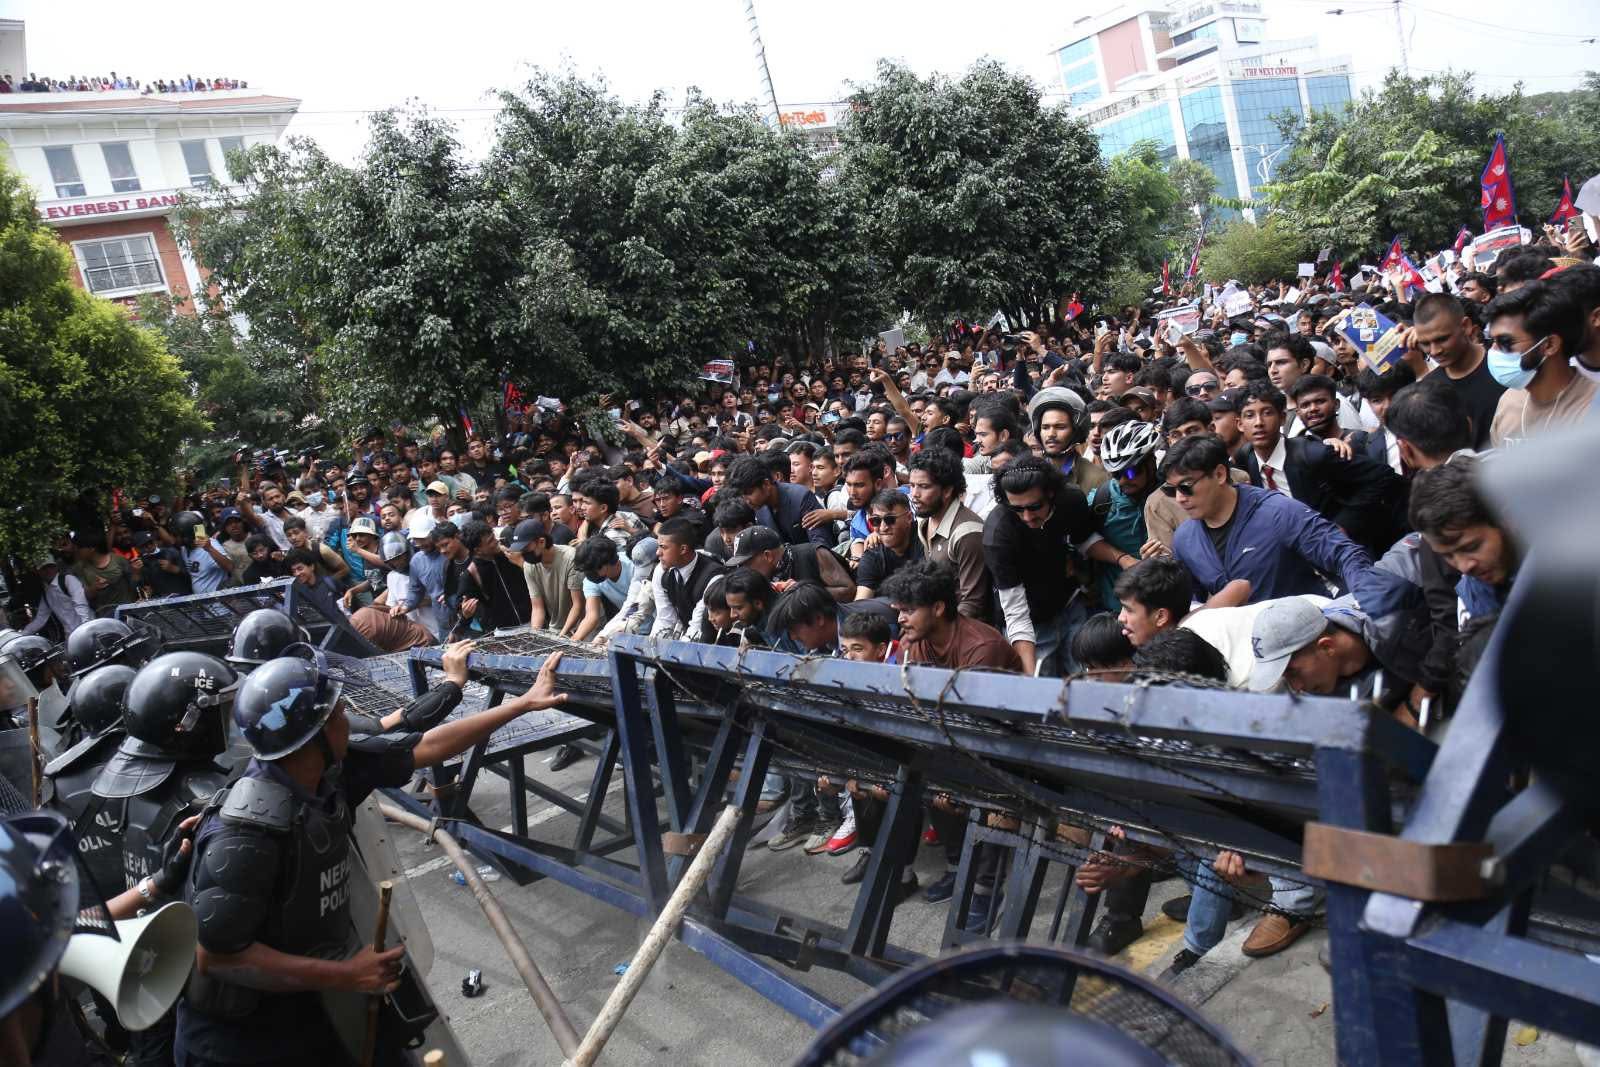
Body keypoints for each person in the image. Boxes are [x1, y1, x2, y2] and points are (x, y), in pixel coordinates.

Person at [178, 644, 570, 1065]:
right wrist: (347, 974)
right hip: (241, 1044)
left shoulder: (327, 773)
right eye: (338, 714)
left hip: (314, 1002)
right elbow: (218, 956)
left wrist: (523, 704)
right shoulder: (246, 832)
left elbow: (428, 745)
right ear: (313, 739)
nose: (348, 718)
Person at [88, 651, 240, 1065]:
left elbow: (70, 928)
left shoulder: (135, 782)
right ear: (190, 722)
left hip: (148, 960)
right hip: (185, 969)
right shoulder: (208, 798)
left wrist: (156, 884)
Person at [1163, 433, 1373, 605]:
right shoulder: (1184, 539)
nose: (1179, 498)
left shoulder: (1279, 512)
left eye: (1186, 487)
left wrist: (1363, 603)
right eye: (1171, 490)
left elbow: (1345, 555)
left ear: (1219, 474)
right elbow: (1189, 603)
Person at [1233, 381, 1405, 555]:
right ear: (1239, 424)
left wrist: (1342, 526)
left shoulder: (1314, 454)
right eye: (1249, 415)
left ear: (1283, 418)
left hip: (1339, 551)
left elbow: (1383, 477)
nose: (1259, 423)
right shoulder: (1246, 458)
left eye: (1267, 413)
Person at [983, 455, 1119, 676]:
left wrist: (1125, 560)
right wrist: (1029, 680)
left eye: (1035, 507)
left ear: (1051, 494)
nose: (1027, 517)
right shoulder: (998, 533)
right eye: (1017, 509)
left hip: (1070, 606)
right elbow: (1016, 614)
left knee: (1089, 680)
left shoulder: (1071, 500)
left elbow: (1083, 539)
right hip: (1030, 624)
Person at [1484, 279, 1598, 448]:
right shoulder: (1508, 402)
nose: (1494, 351)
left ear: (1550, 345)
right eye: (1492, 341)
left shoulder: (1593, 408)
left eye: (1505, 342)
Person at [1085, 413, 1164, 613]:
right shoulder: (1100, 499)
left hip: (1165, 604)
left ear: (1151, 463)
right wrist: (1124, 560)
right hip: (1116, 608)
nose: (1123, 480)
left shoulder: (1173, 496)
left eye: (1130, 472)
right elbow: (1081, 539)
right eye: (1116, 473)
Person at [883, 561, 1020, 672]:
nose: (900, 619)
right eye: (900, 611)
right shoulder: (908, 645)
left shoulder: (982, 648)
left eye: (909, 610)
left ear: (938, 608)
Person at [1409, 292, 1504, 450]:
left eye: (1442, 339)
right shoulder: (1429, 389)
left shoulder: (1505, 367)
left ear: (1465, 326)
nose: (1434, 351)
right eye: (1425, 343)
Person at [908, 447, 991, 619]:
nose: (914, 494)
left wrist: (934, 629)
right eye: (912, 485)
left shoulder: (967, 533)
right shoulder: (925, 520)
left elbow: (972, 603)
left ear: (947, 491)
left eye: (924, 487)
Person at [726, 456, 833, 548]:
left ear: (766, 484)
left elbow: (821, 544)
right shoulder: (758, 507)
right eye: (742, 495)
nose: (746, 500)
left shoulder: (800, 497)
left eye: (749, 493)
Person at [648, 516, 727, 639]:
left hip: (715, 640)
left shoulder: (713, 576)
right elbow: (665, 620)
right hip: (687, 636)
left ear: (683, 549)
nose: (658, 553)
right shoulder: (662, 571)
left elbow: (698, 627)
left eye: (663, 547)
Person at [1026, 387, 1108, 495]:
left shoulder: (1098, 479)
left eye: (1060, 427)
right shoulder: (1029, 474)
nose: (1051, 434)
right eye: (1045, 427)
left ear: (1075, 432)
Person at [854, 491, 922, 599]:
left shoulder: (925, 538)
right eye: (876, 521)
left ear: (909, 517)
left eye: (890, 520)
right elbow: (862, 600)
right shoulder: (873, 554)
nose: (883, 528)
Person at [19, 556, 93, 639]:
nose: (48, 570)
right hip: (71, 635)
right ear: (38, 571)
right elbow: (40, 619)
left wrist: (84, 626)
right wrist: (21, 635)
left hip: (87, 628)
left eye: (51, 567)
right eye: (44, 568)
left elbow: (81, 604)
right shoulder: (46, 593)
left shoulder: (68, 580)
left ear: (56, 567)